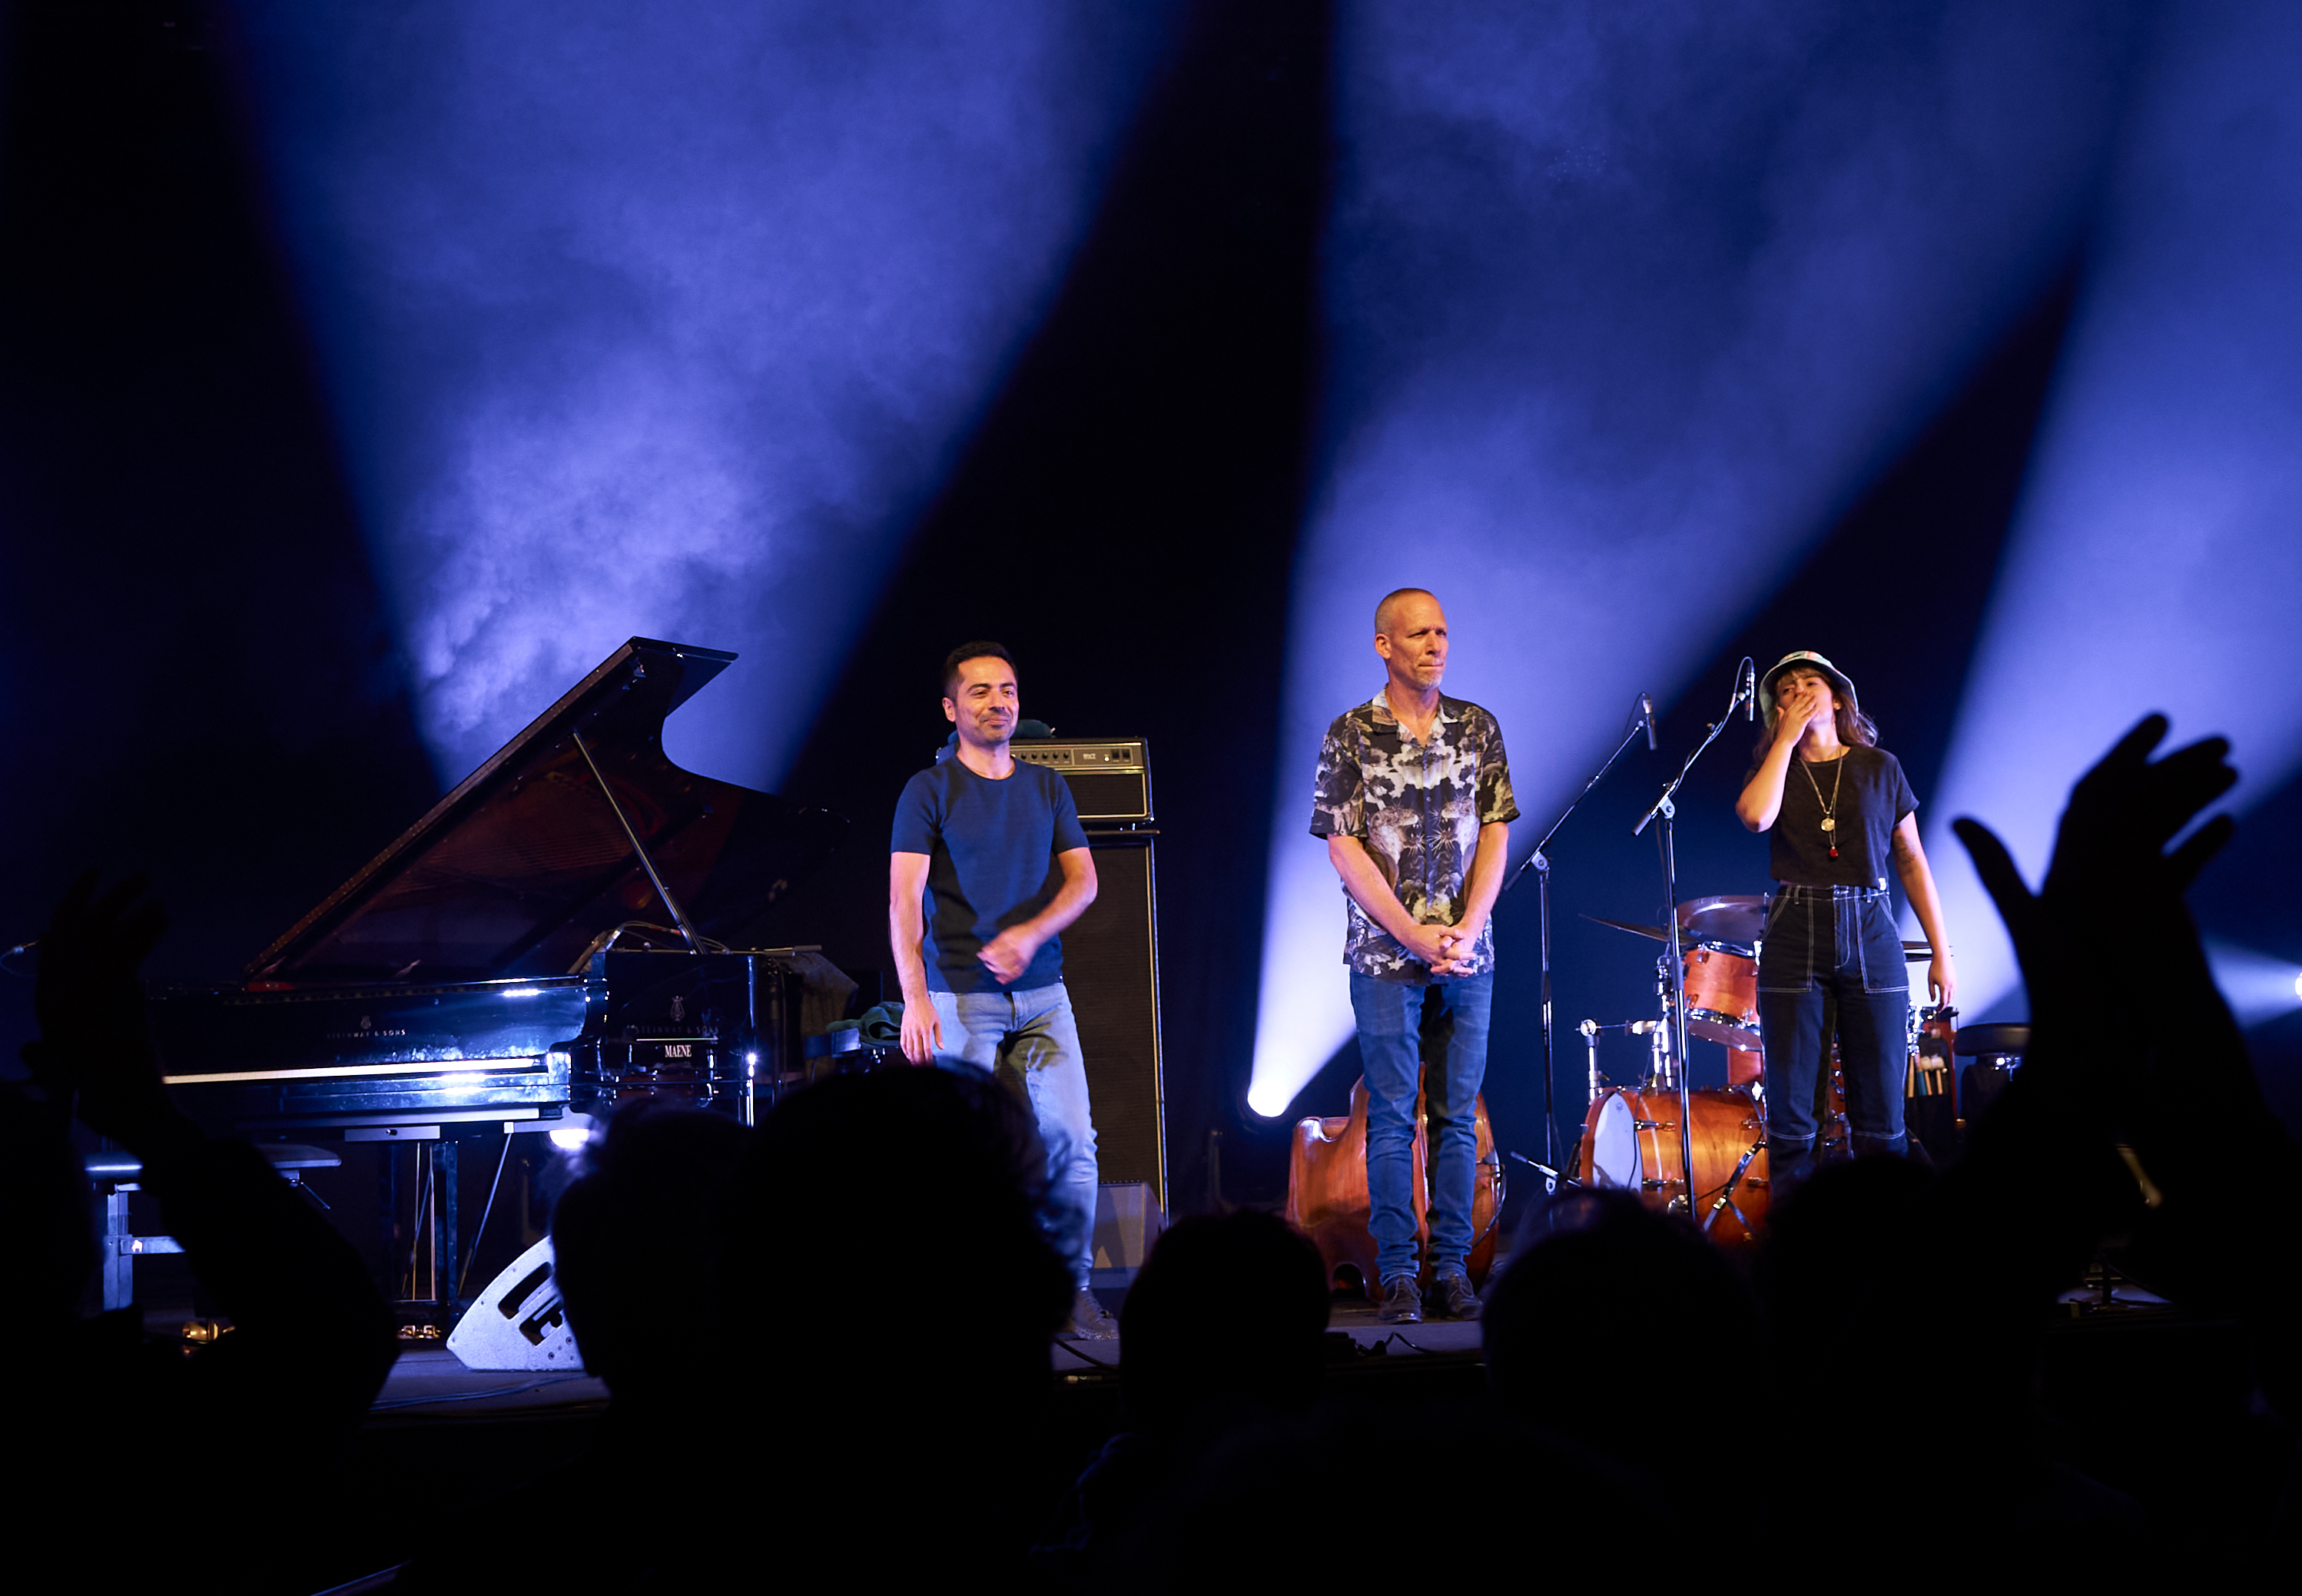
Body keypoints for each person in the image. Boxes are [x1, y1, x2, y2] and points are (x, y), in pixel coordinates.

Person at [890, 640, 1115, 1338]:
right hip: (960, 993)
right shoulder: (928, 789)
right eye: (982, 692)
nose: (999, 702)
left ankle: (1071, 1287)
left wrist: (1029, 934)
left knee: (1074, 1139)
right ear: (952, 708)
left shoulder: (1047, 787)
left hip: (1044, 991)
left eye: (1009, 690)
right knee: (963, 1152)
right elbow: (903, 904)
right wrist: (915, 998)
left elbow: (1085, 881)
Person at [1310, 588, 1518, 1324]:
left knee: (1458, 1117)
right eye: (1419, 634)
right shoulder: (1351, 733)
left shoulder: (1477, 727)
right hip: (1384, 954)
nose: (1435, 645)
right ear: (1384, 645)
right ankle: (1397, 1272)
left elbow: (1496, 830)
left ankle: (1453, 1269)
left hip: (1468, 952)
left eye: (1442, 632)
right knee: (1393, 1117)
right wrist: (1409, 931)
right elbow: (1344, 846)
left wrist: (1470, 923)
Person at [1733, 651, 1954, 1177]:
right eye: (1786, 689)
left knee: (1881, 1124)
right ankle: (1797, 1253)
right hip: (1794, 930)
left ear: (1837, 698)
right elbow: (1756, 816)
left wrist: (1941, 954)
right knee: (1793, 1124)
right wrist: (1785, 740)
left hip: (1870, 926)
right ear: (1776, 710)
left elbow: (1911, 860)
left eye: (1811, 682)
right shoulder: (1776, 768)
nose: (1799, 691)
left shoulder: (1880, 766)